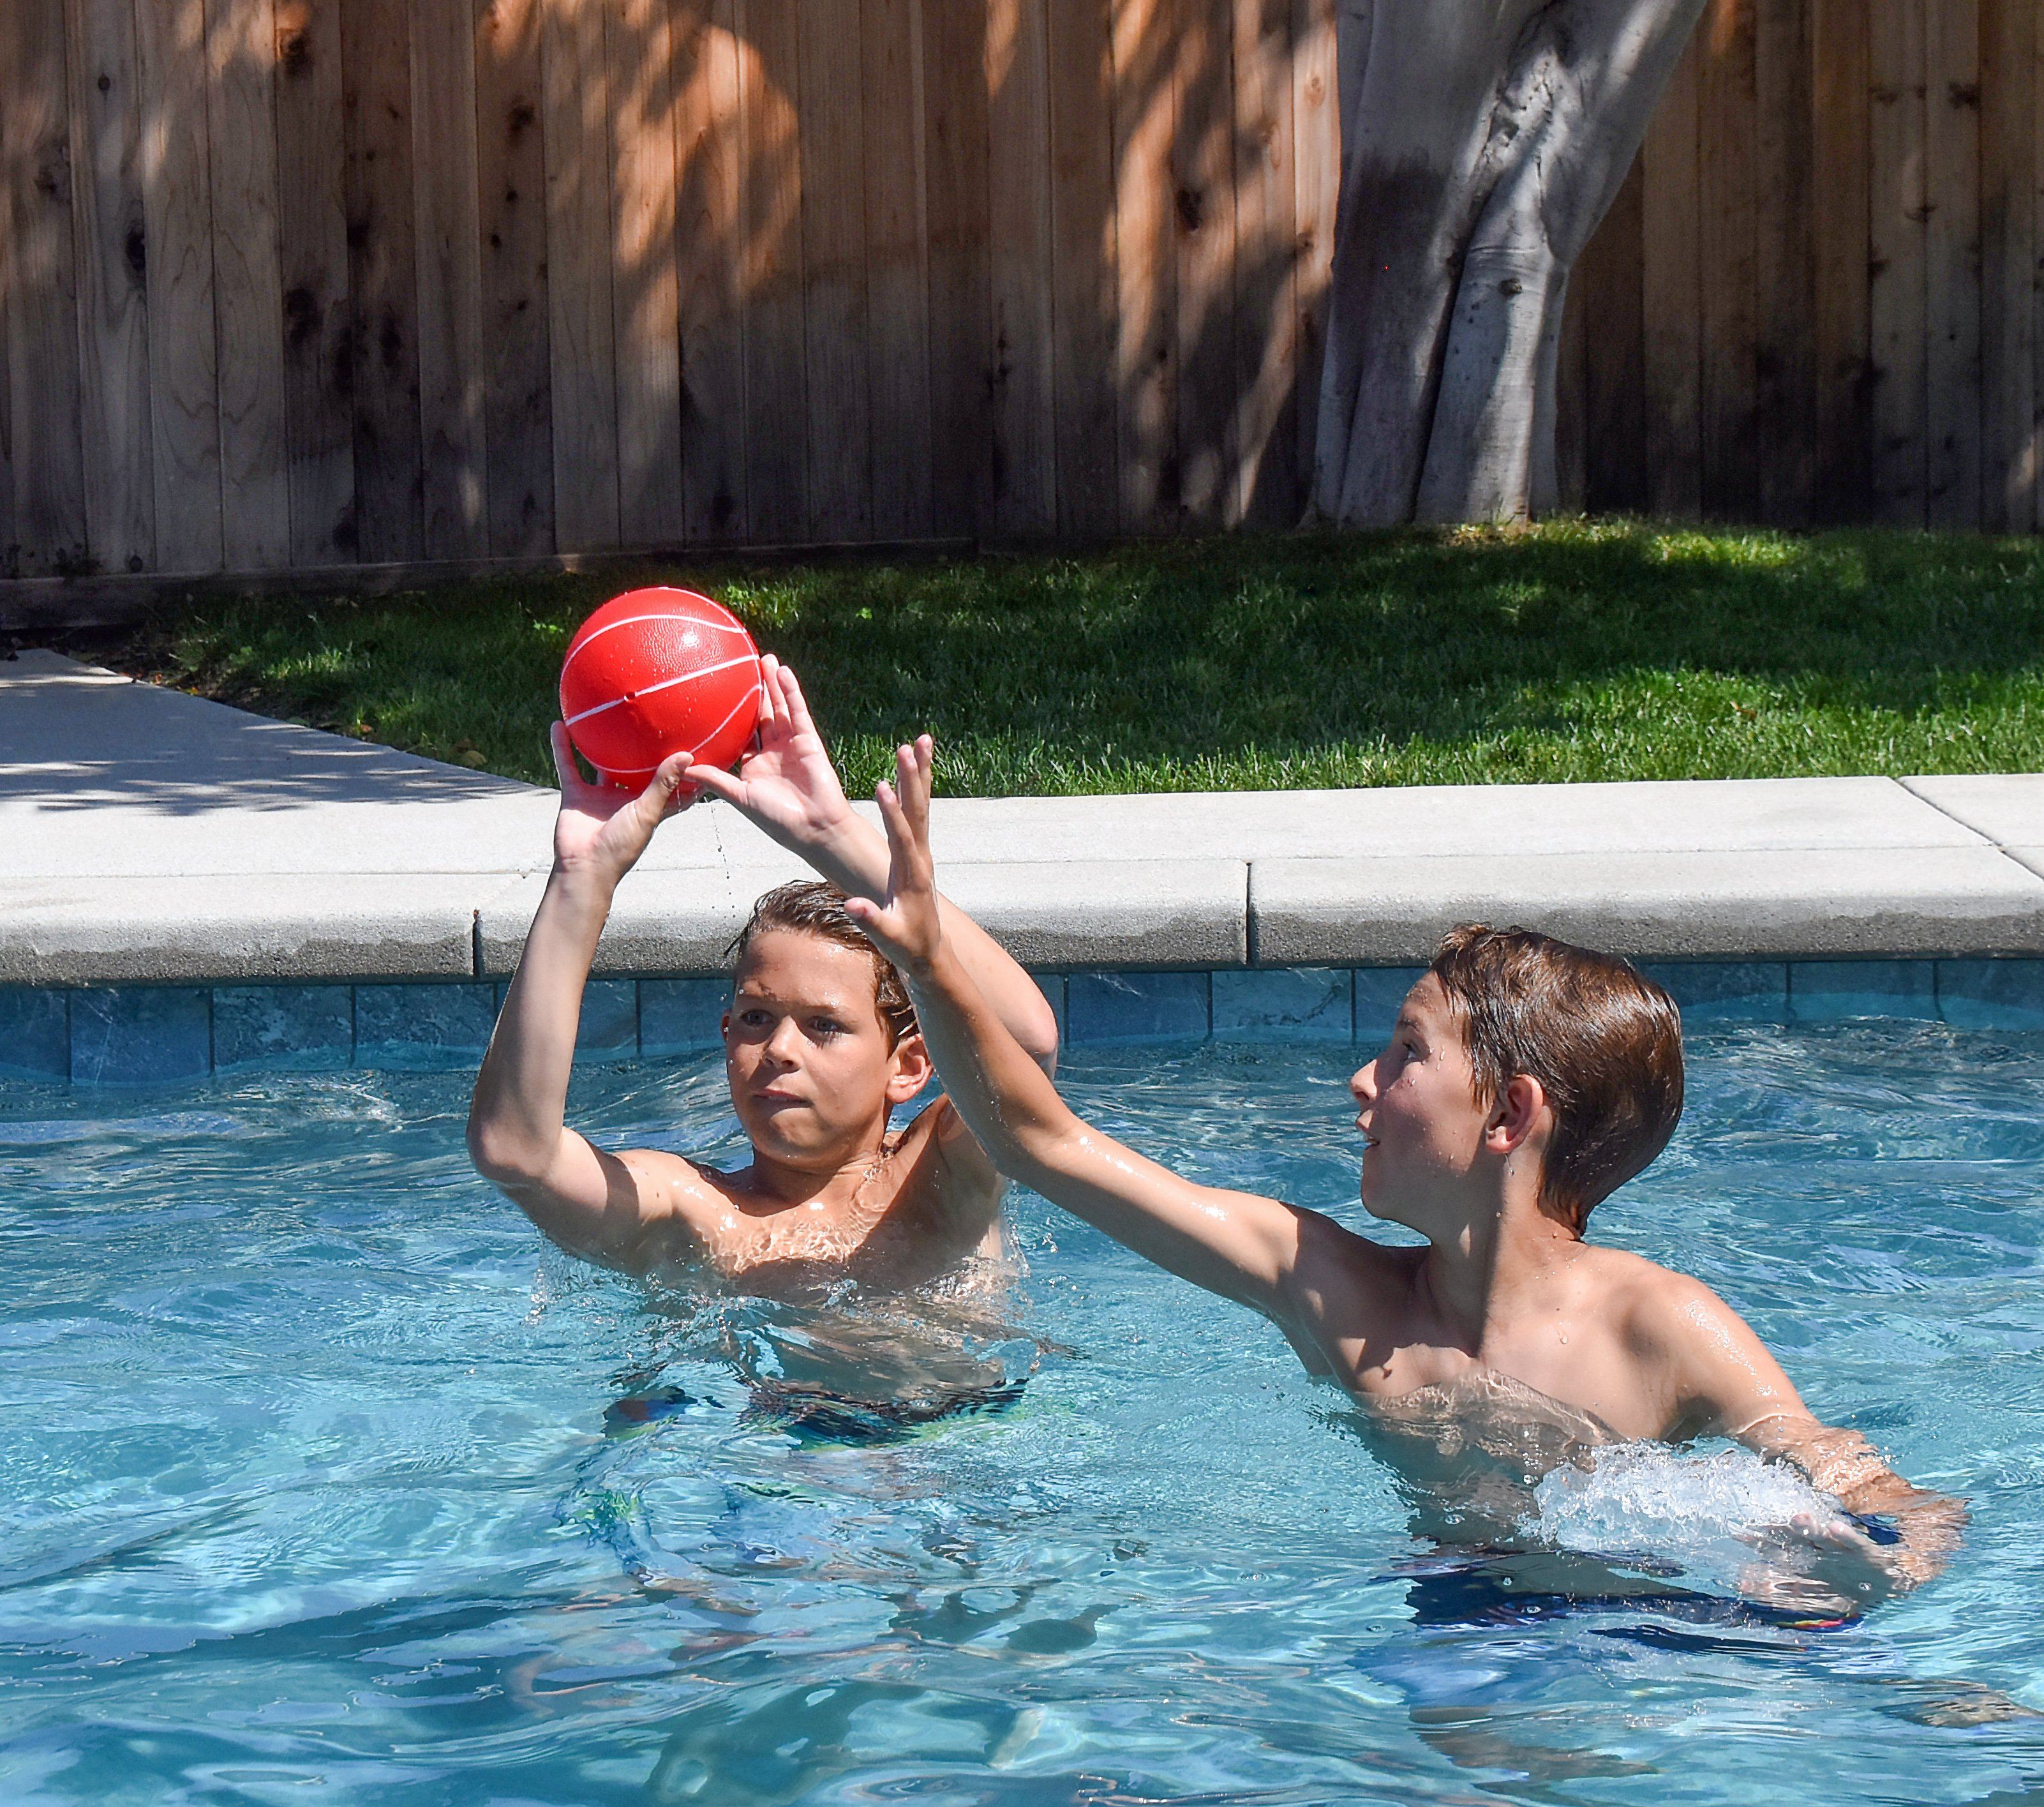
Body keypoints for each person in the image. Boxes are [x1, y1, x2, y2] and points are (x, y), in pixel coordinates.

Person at [835, 738, 1965, 1611]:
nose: (1358, 1084)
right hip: (1460, 1623)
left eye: (1404, 1051)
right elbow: (1045, 1143)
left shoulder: (1657, 1324)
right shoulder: (1326, 1285)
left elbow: (1870, 1486)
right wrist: (927, 958)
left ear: (1508, 1115)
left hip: (1684, 1625)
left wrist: (1882, 1563)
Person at [466, 661, 1058, 1295]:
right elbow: (517, 1153)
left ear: (909, 1064)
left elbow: (1023, 1045)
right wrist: (582, 881)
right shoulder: (692, 1211)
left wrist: (833, 837)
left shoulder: (943, 1171)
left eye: (823, 1025)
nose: (777, 1049)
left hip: (977, 1401)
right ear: (725, 1035)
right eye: (756, 1017)